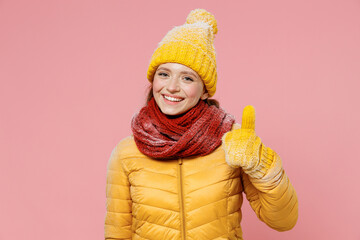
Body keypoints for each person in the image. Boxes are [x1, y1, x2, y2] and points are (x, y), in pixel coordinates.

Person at [105, 8, 298, 240]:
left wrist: (261, 165)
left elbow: (284, 220)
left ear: (205, 90)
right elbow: (117, 234)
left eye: (187, 78)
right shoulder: (127, 152)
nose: (172, 87)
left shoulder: (233, 142)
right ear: (153, 80)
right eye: (164, 74)